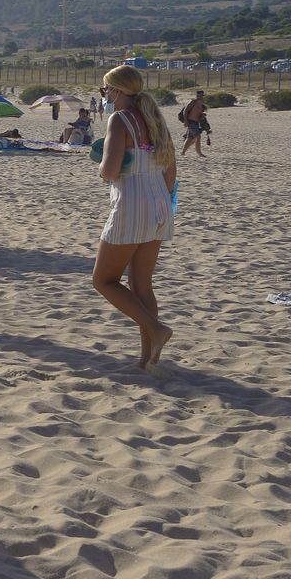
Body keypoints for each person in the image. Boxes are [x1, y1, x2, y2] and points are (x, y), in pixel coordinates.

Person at [93, 65, 179, 374]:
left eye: (106, 90)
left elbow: (110, 171)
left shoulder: (120, 119)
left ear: (116, 91)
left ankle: (156, 330)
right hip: (159, 204)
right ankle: (149, 359)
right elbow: (170, 171)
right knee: (142, 284)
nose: (105, 96)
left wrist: (99, 162)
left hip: (131, 204)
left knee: (103, 280)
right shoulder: (154, 118)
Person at [178, 91, 207, 157]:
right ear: (196, 95)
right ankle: (199, 153)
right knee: (198, 136)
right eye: (199, 95)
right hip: (191, 122)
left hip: (196, 123)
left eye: (202, 95)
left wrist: (202, 115)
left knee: (190, 138)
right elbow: (185, 111)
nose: (200, 97)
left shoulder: (202, 104)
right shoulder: (193, 102)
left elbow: (198, 114)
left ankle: (183, 152)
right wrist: (185, 121)